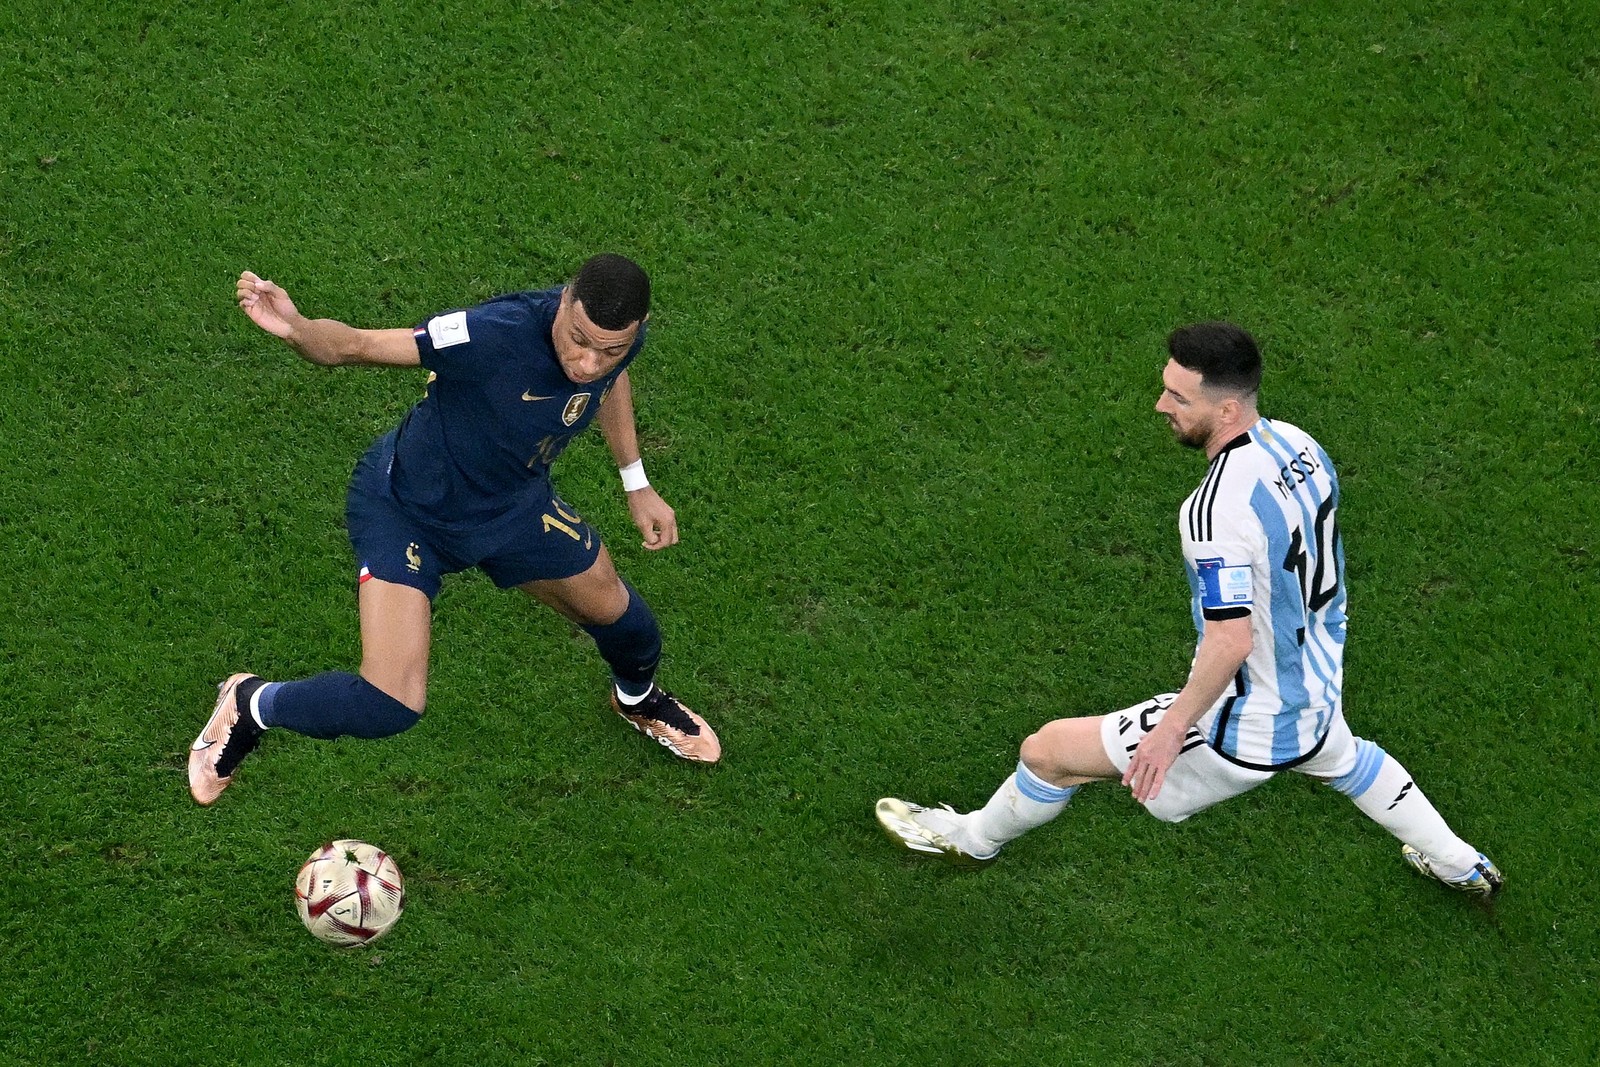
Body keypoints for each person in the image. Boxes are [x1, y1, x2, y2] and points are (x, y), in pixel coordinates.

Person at [876, 322, 1501, 896]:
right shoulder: (1299, 445)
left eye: (1179, 397)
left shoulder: (1214, 508)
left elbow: (1230, 642)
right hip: (1315, 677)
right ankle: (1460, 864)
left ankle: (970, 842)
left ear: (1224, 408)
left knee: (1047, 753)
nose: (1162, 406)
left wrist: (1171, 730)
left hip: (1249, 718)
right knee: (1342, 756)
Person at [189, 254, 720, 806]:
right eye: (578, 339)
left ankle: (636, 701)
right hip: (407, 512)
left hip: (511, 507)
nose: (587, 362)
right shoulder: (491, 334)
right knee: (389, 704)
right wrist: (299, 330)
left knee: (629, 626)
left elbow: (610, 380)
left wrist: (636, 482)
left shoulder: (616, 340)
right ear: (563, 300)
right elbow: (357, 346)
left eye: (608, 348)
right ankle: (250, 703)